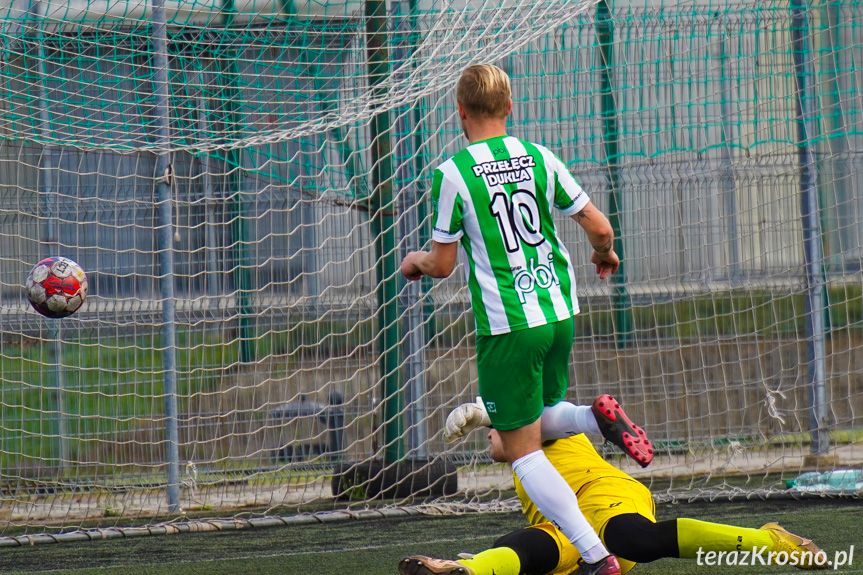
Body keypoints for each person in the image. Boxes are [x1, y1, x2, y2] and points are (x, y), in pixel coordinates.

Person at [400, 63, 650, 575]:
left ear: (461, 112)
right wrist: (604, 253)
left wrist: (415, 263)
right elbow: (599, 227)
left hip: (509, 326)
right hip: (560, 311)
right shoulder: (538, 156)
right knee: (542, 414)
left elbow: (443, 264)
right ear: (510, 107)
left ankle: (597, 556)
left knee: (522, 451)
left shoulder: (452, 173)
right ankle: (592, 417)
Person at [398, 426, 830, 575]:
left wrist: (486, 409)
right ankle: (464, 570)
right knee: (529, 548)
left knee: (631, 538)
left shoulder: (548, 424)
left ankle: (773, 541)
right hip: (566, 526)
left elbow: (542, 406)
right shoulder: (521, 457)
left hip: (605, 496)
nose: (489, 434)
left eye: (492, 425)